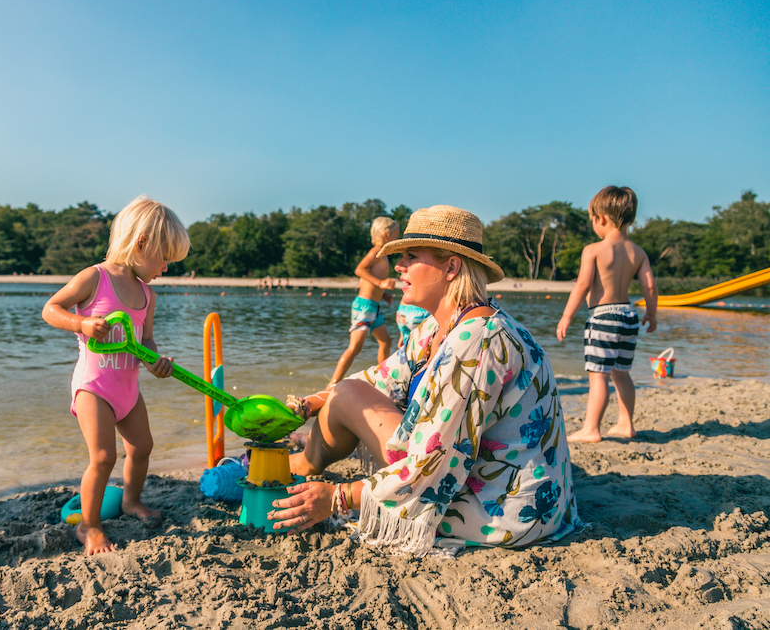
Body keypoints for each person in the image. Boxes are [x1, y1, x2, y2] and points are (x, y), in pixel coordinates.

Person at [271, 205, 581, 557]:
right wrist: (302, 406)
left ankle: (292, 468)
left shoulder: (476, 340)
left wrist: (339, 498)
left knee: (348, 396)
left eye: (411, 256)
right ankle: (297, 464)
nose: (399, 267)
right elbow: (378, 379)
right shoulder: (444, 325)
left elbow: (434, 459)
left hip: (505, 513)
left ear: (451, 267)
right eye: (400, 257)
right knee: (347, 391)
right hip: (525, 493)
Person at [42, 195, 190, 555]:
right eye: (164, 258)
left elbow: (147, 340)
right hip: (94, 387)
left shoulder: (147, 294)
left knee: (142, 447)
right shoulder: (95, 277)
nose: (166, 268)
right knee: (104, 456)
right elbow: (51, 309)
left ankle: (130, 502)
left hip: (127, 387)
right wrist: (81, 322)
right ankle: (90, 527)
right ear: (141, 244)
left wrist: (156, 362)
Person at [556, 186, 658, 442]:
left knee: (598, 376)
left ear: (601, 218)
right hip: (628, 315)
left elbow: (582, 285)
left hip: (602, 317)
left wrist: (567, 316)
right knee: (622, 373)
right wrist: (652, 314)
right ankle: (626, 424)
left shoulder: (593, 250)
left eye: (592, 220)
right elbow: (650, 286)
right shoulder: (638, 252)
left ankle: (591, 429)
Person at [328, 217, 400, 386]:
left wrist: (383, 294)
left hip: (373, 307)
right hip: (363, 307)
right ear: (386, 234)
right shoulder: (376, 251)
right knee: (355, 348)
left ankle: (384, 378)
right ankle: (332, 383)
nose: (397, 240)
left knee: (386, 341)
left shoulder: (384, 255)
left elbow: (372, 280)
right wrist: (381, 283)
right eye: (396, 236)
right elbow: (359, 269)